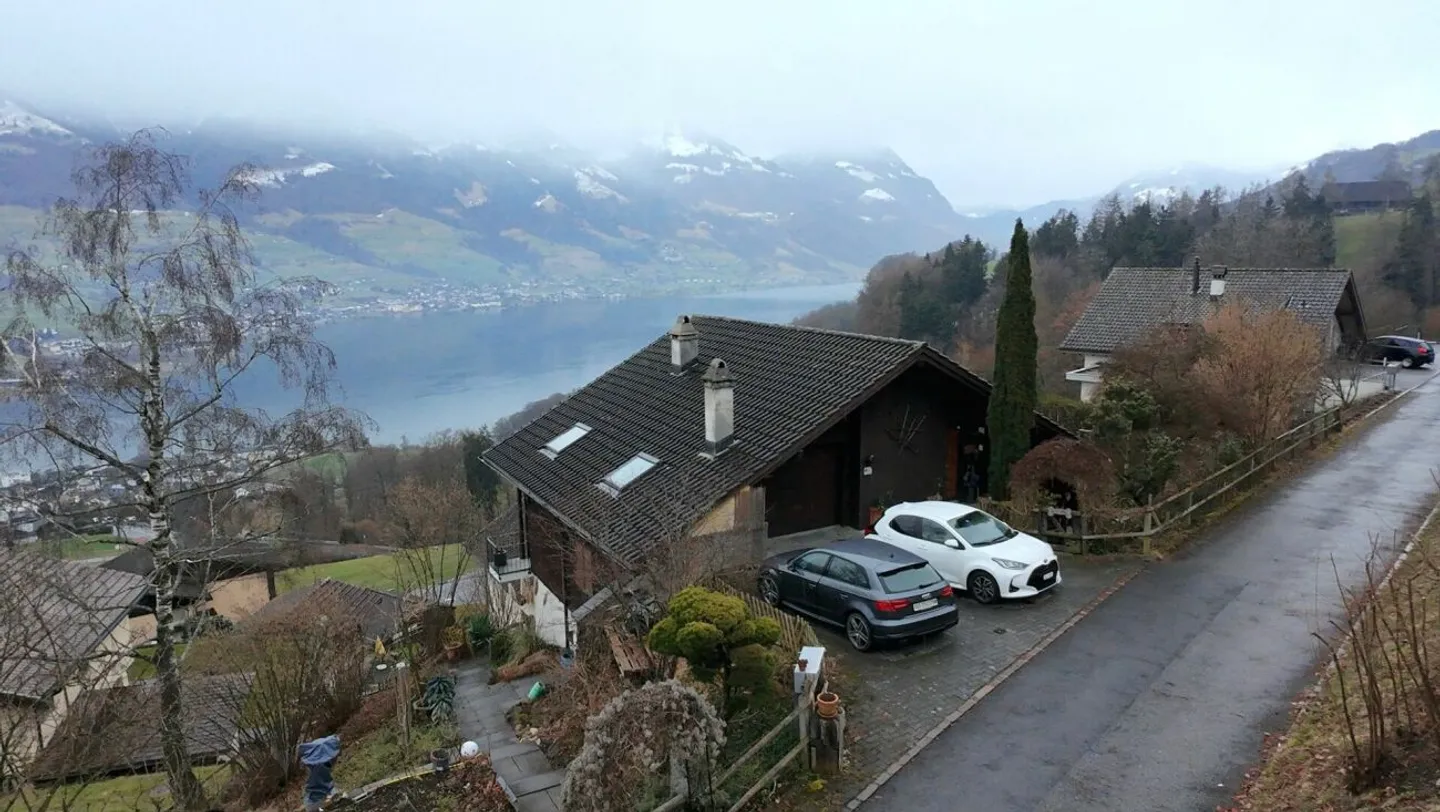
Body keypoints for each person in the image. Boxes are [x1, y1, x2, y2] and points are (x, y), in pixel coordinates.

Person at [299, 734, 342, 811]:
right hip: (315, 801)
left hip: (315, 798)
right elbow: (324, 783)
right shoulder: (319, 766)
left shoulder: (322, 748)